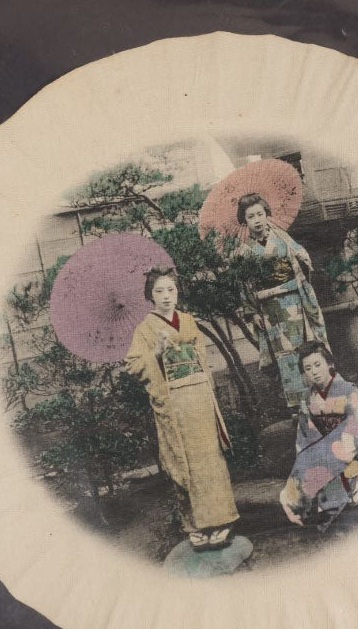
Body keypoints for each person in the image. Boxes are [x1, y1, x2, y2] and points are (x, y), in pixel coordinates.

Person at [125, 267, 239, 551]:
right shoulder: (145, 329)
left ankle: (222, 520)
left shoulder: (188, 320)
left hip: (199, 395)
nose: (166, 296)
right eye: (159, 291)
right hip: (174, 402)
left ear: (177, 292)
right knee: (183, 459)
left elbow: (200, 357)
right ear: (150, 296)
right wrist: (157, 353)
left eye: (171, 290)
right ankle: (195, 524)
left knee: (210, 457)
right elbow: (134, 365)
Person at [237, 192, 330, 408]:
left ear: (267, 214)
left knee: (306, 348)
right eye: (251, 216)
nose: (257, 220)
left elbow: (303, 260)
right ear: (245, 220)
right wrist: (252, 313)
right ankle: (297, 404)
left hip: (295, 301)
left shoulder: (283, 239)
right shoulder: (243, 251)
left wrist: (302, 259)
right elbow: (243, 285)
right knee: (284, 356)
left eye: (260, 214)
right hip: (270, 310)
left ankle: (319, 395)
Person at [279, 342, 358, 530]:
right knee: (301, 478)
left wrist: (346, 452)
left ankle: (356, 478)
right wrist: (305, 454)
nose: (314, 372)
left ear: (329, 363)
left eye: (318, 365)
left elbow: (356, 427)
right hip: (321, 446)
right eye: (308, 368)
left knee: (330, 483)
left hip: (344, 444)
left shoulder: (347, 390)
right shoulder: (307, 398)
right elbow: (304, 431)